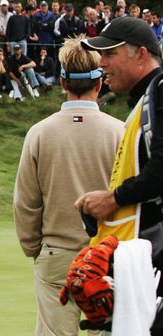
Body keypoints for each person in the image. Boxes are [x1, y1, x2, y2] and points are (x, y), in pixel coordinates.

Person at [15, 39, 123, 336]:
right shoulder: (120, 132)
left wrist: (34, 249)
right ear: (99, 83)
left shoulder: (39, 133)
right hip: (105, 257)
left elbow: (26, 203)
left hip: (55, 254)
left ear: (62, 81)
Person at [75, 17, 163, 269]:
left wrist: (113, 199)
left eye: (110, 54)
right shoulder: (147, 97)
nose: (102, 63)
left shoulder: (159, 89)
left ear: (141, 54)